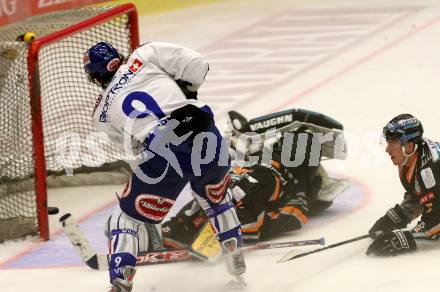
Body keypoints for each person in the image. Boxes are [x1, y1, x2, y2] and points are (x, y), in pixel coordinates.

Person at [83, 42, 245, 292]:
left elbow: (129, 144)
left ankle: (121, 279)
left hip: (163, 148)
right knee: (215, 194)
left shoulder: (100, 114)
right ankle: (234, 254)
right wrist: (188, 93)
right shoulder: (145, 53)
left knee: (126, 217)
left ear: (95, 77)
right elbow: (198, 64)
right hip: (204, 129)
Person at [160, 109, 350, 249]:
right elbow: (296, 213)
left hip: (266, 180)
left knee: (238, 192)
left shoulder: (299, 187)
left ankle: (198, 226)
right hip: (260, 175)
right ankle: (190, 224)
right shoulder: (293, 176)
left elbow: (296, 215)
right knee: (224, 191)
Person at [367, 114, 440, 257]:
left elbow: (436, 221)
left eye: (392, 144)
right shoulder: (410, 161)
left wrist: (408, 239)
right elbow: (420, 194)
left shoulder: (427, 170)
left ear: (409, 145)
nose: (387, 150)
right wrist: (400, 215)